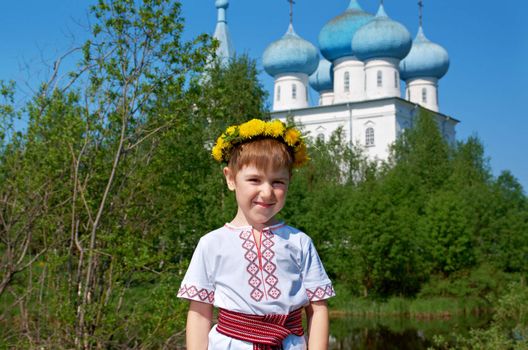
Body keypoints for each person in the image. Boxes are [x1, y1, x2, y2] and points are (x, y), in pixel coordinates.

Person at [177, 119, 335, 349]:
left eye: (278, 181)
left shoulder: (299, 242)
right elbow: (200, 313)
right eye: (254, 180)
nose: (267, 191)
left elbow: (318, 309)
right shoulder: (212, 243)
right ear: (231, 178)